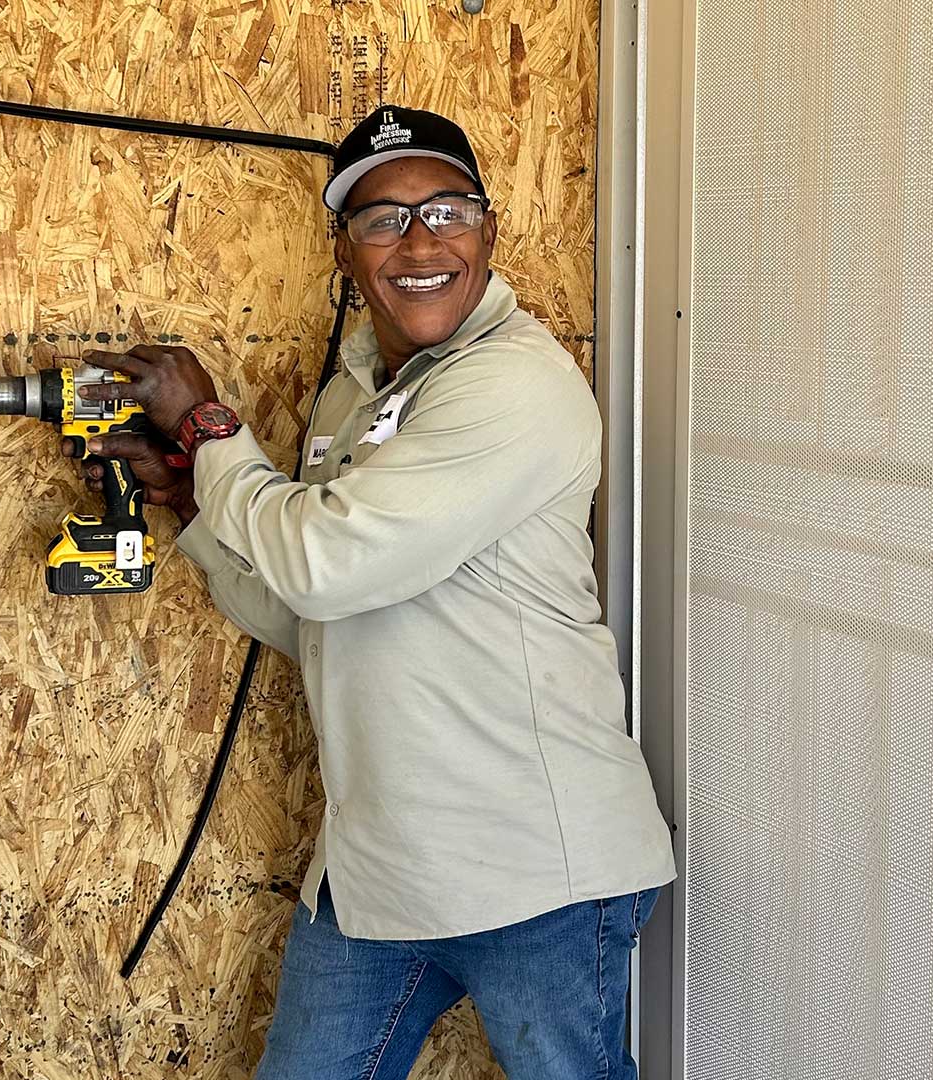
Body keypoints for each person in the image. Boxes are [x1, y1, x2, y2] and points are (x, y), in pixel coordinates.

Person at [71, 105, 677, 1080]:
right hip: (381, 871)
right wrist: (197, 512)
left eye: (447, 209)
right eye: (383, 219)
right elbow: (317, 608)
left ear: (490, 229)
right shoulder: (360, 391)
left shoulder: (514, 386)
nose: (421, 240)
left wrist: (214, 425)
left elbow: (327, 561)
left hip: (537, 870)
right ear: (345, 250)